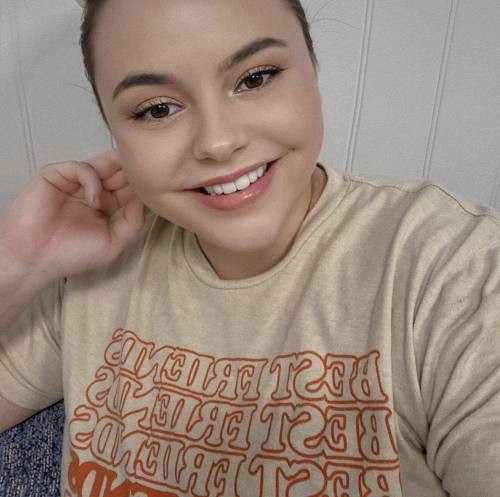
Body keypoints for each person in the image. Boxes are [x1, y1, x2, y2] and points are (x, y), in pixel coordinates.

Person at [0, 0, 499, 495]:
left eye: (255, 78)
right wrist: (16, 264)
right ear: (114, 131)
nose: (217, 143)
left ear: (313, 68)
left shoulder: (451, 264)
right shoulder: (92, 269)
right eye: (157, 109)